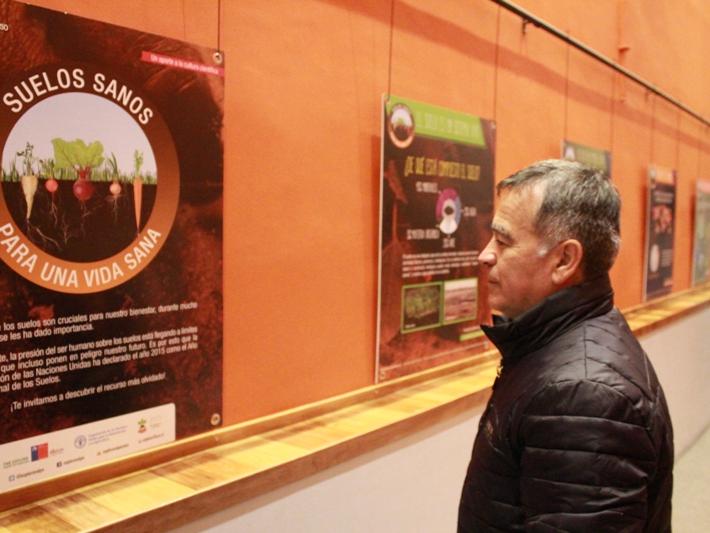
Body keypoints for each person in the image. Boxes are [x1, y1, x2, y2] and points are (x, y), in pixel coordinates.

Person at [458, 160, 673, 532]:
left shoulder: (584, 392)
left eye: (504, 241)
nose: (485, 254)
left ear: (564, 260)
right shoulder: (559, 352)